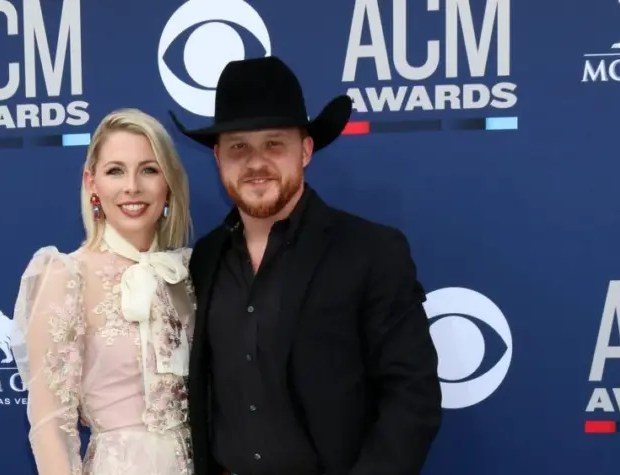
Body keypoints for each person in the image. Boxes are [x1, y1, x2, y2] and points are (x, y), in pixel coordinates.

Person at [169, 57, 443, 475]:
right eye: (239, 146)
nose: (256, 162)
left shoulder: (370, 251)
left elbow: (412, 397)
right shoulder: (205, 258)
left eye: (274, 144)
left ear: (306, 150)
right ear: (218, 157)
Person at [11, 108, 196, 475]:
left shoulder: (188, 274)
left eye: (149, 169)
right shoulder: (66, 275)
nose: (132, 186)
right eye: (115, 171)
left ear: (169, 182)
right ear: (92, 182)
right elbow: (49, 426)